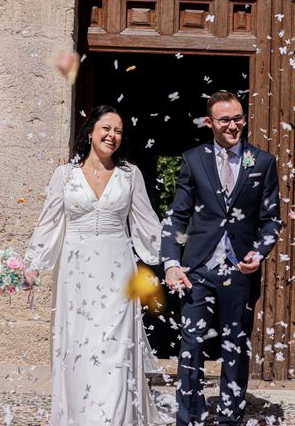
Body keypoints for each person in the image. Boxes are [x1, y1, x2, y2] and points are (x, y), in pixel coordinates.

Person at [24, 105, 170, 425]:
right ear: (90, 132)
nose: (112, 136)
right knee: (78, 349)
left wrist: (172, 262)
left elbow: (148, 225)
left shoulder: (130, 175)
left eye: (118, 131)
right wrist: (33, 264)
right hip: (74, 274)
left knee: (115, 350)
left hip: (117, 270)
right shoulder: (64, 175)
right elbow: (48, 223)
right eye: (106, 128)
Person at [161, 91, 281, 426]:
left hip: (240, 271)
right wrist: (172, 263)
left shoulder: (261, 162)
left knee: (235, 347)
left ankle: (230, 419)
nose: (233, 125)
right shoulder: (194, 160)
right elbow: (177, 216)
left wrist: (260, 251)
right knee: (191, 346)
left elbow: (272, 219)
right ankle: (190, 418)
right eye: (225, 119)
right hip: (197, 270)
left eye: (238, 118)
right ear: (210, 122)